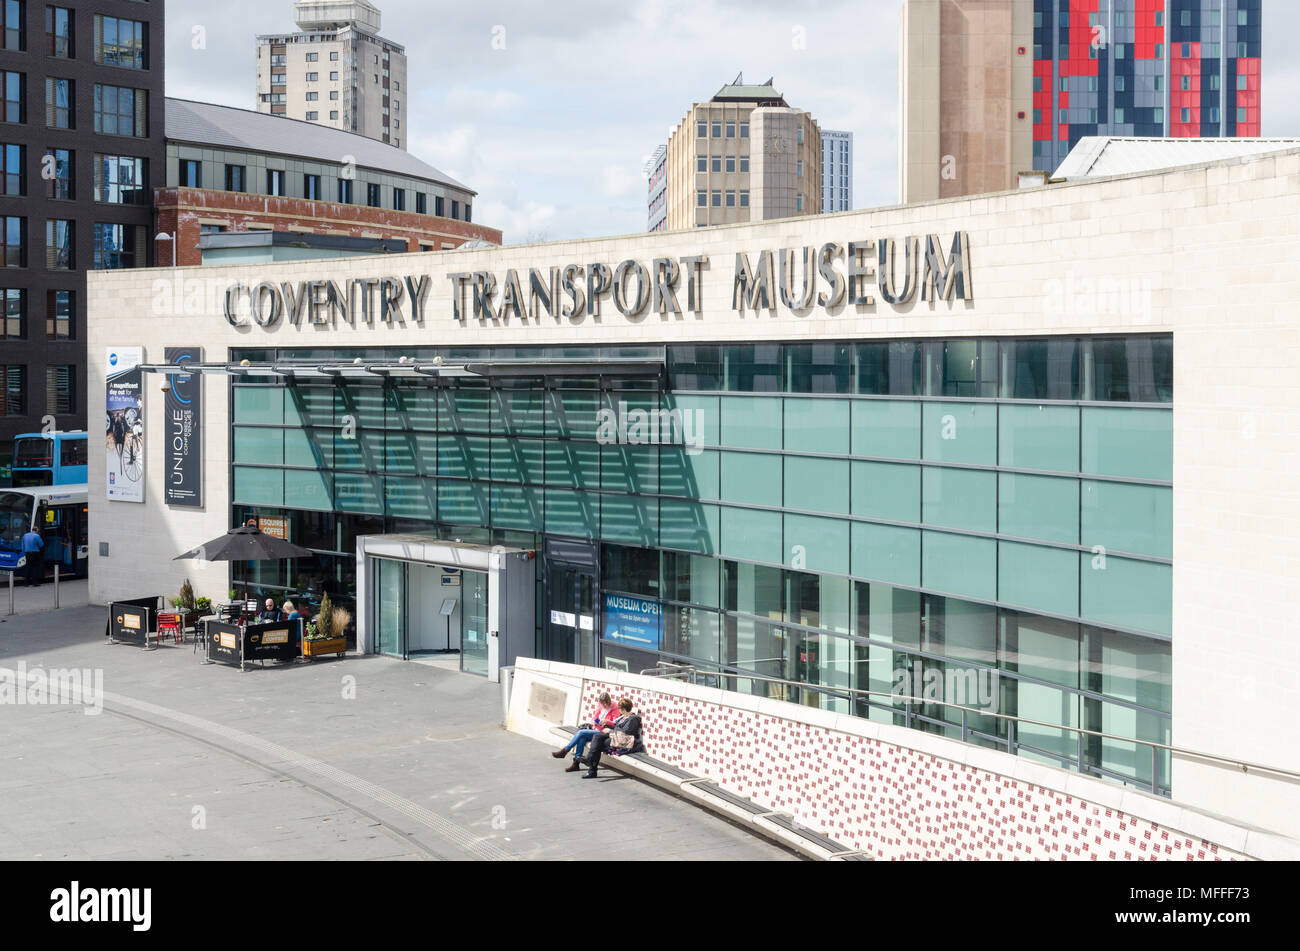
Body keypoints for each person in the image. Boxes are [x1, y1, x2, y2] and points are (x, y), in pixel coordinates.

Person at [551, 692, 619, 772]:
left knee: (581, 733)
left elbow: (615, 724)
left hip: (603, 733)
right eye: (602, 704)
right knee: (581, 738)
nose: (603, 706)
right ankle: (576, 763)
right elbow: (594, 717)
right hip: (595, 729)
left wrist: (606, 722)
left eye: (605, 704)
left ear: (608, 701)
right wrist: (594, 721)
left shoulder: (615, 707)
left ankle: (565, 751)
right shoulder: (600, 706)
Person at [578, 698, 642, 779]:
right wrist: (606, 725)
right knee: (597, 737)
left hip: (622, 740)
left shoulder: (633, 719)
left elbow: (625, 733)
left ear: (623, 709)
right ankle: (590, 762)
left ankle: (591, 769)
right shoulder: (623, 717)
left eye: (619, 708)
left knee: (598, 744)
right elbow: (616, 726)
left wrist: (610, 730)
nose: (618, 710)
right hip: (615, 736)